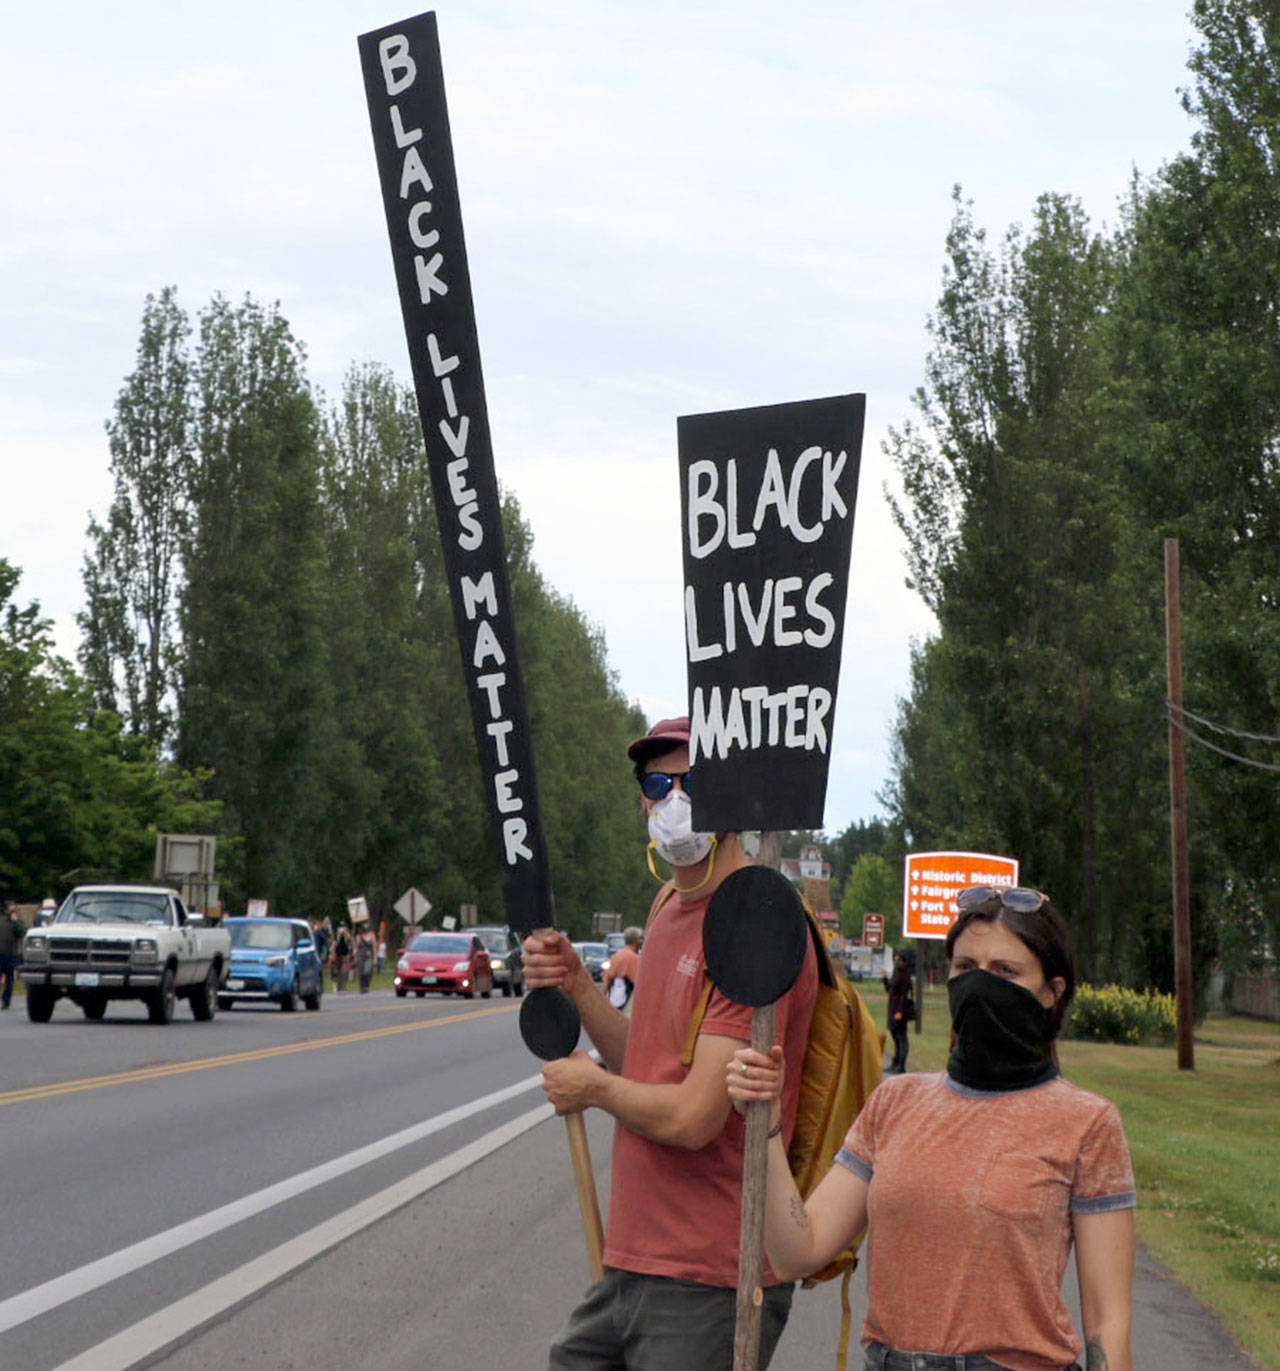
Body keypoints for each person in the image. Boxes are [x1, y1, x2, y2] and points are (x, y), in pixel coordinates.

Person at [728, 884, 1135, 1371]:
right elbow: (799, 1251)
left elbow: (1108, 1321)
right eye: (966, 968)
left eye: (1005, 971)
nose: (981, 984)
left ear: (1052, 992)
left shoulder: (1087, 1123)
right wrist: (766, 1128)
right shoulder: (895, 1103)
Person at [523, 717, 818, 1370]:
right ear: (643, 799)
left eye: (696, 781)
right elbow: (650, 1065)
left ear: (734, 798)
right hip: (634, 1261)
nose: (674, 800)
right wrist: (578, 984)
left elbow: (694, 1117)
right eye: (659, 783)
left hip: (713, 1271)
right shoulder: (666, 905)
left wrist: (593, 1087)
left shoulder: (757, 924)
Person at [884, 951, 914, 1074]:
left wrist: (900, 1011)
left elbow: (904, 995)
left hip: (900, 1010)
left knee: (901, 1037)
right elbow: (890, 989)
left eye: (899, 960)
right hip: (893, 1007)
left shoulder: (905, 976)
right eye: (895, 960)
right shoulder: (896, 974)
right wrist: (884, 979)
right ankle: (895, 1063)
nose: (896, 962)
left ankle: (901, 1066)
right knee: (895, 1036)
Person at [602, 925, 642, 1011]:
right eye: (640, 939)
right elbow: (638, 983)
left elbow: (607, 979)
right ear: (637, 941)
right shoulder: (635, 959)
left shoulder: (615, 956)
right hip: (628, 1002)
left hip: (613, 1000)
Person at [0, 897, 25, 1010]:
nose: (12, 912)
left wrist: (15, 922)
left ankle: (6, 1001)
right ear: (6, 910)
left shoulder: (18, 922)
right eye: (10, 910)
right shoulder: (1, 921)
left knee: (9, 980)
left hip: (11, 955)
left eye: (14, 910)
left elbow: (22, 932)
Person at [332, 922, 353, 992]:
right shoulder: (336, 934)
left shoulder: (347, 934)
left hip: (345, 954)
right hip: (337, 954)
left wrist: (345, 933)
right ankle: (338, 986)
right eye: (341, 927)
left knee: (344, 971)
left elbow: (350, 940)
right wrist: (332, 953)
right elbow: (334, 943)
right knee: (337, 971)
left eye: (343, 927)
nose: (342, 929)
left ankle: (343, 986)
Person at [355, 925, 376, 993]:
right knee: (361, 971)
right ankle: (362, 986)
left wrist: (375, 957)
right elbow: (357, 946)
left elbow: (374, 947)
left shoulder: (372, 936)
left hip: (369, 955)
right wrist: (355, 952)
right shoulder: (360, 936)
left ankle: (367, 985)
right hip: (361, 955)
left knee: (367, 971)